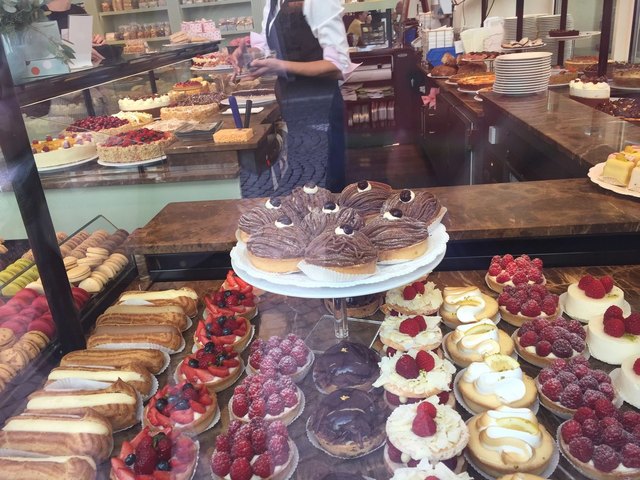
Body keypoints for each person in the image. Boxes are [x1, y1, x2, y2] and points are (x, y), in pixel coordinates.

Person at [230, 0, 354, 195]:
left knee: (326, 188)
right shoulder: (272, 3)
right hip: (292, 107)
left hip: (321, 108)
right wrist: (248, 55)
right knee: (304, 185)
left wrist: (281, 66)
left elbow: (338, 66)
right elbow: (269, 50)